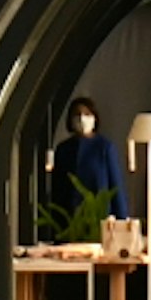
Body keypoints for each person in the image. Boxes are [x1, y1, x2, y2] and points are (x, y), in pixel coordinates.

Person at [44, 96, 126, 228]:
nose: (82, 118)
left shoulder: (104, 148)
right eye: (77, 114)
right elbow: (57, 189)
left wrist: (122, 221)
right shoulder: (63, 149)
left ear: (94, 118)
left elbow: (116, 187)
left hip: (99, 220)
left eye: (87, 114)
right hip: (70, 221)